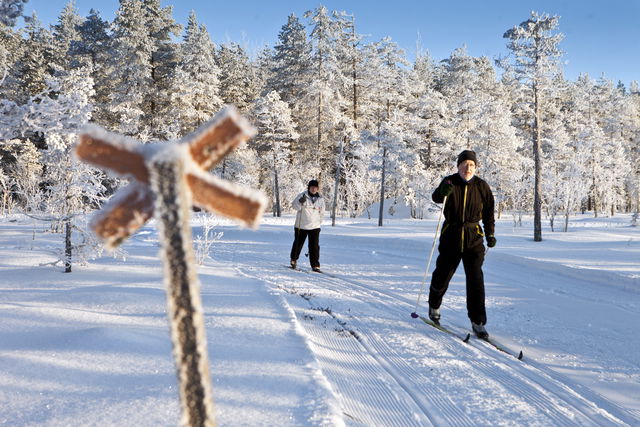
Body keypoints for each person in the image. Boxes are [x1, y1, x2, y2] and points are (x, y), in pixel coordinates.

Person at [428, 150, 496, 339]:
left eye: (471, 165)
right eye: (465, 164)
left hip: (474, 239)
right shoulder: (450, 182)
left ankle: (478, 321)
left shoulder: (482, 186)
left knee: (475, 281)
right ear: (458, 166)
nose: (468, 168)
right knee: (442, 275)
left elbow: (489, 211)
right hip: (451, 236)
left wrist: (490, 234)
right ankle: (434, 306)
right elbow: (436, 198)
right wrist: (443, 192)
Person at [290, 179, 325, 271]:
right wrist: (299, 202)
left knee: (314, 246)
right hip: (301, 225)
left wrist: (319, 222)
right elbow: (295, 206)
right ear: (309, 188)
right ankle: (293, 260)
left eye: (315, 187)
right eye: (312, 187)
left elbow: (322, 212)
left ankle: (315, 265)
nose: (313, 189)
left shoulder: (320, 198)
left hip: (315, 226)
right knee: (298, 244)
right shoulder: (302, 195)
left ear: (317, 188)